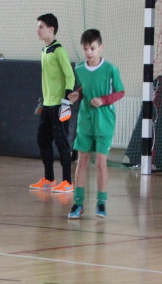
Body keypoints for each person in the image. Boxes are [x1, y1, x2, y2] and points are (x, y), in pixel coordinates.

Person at [66, 29, 124, 219]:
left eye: (92, 48)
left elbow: (120, 92)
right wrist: (78, 93)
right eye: (85, 49)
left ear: (101, 48)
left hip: (105, 121)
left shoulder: (111, 69)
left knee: (100, 162)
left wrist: (103, 100)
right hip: (86, 121)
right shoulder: (80, 69)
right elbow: (86, 86)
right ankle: (78, 203)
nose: (89, 52)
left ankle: (101, 203)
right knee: (81, 161)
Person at [29, 14, 76, 194]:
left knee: (62, 142)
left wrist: (65, 101)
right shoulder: (44, 51)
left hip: (59, 105)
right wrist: (44, 100)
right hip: (47, 105)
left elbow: (70, 76)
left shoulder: (59, 50)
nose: (38, 30)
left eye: (41, 26)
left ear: (51, 29)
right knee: (43, 140)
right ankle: (49, 179)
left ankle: (67, 182)